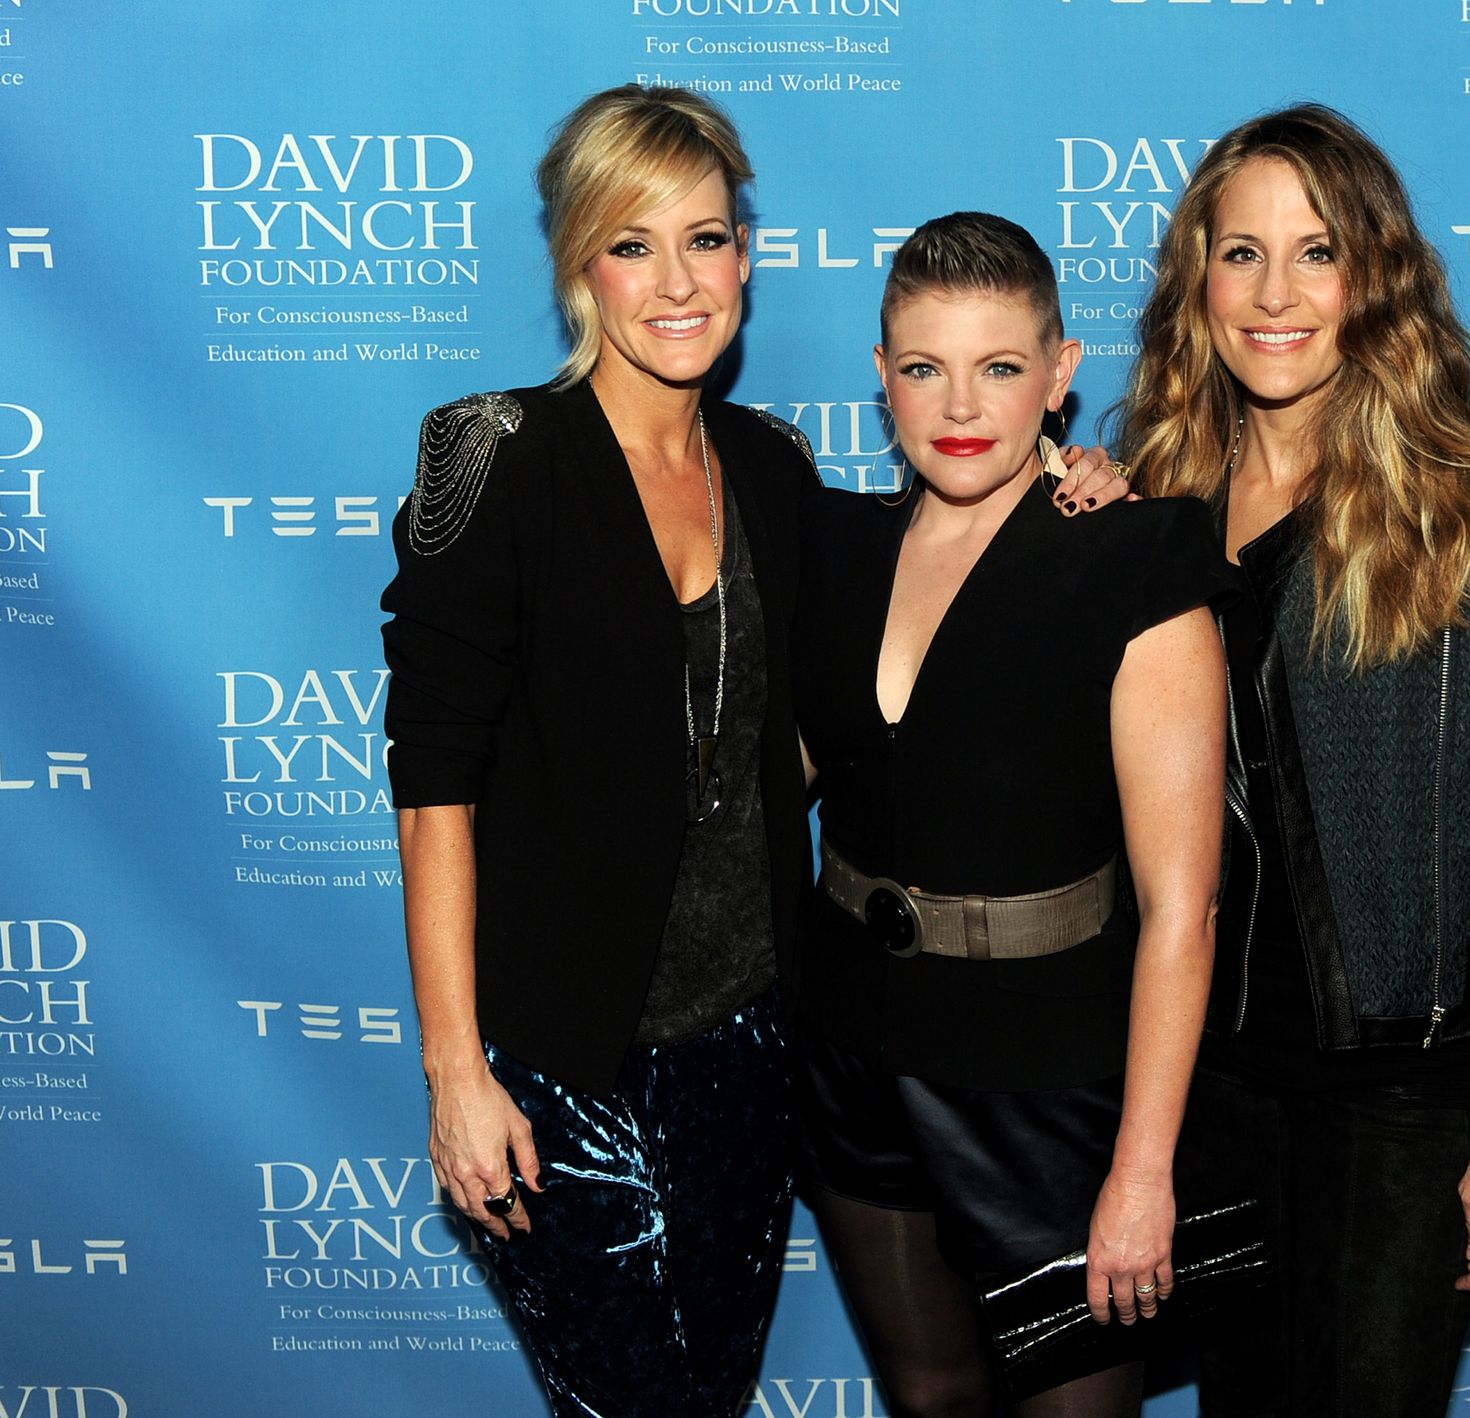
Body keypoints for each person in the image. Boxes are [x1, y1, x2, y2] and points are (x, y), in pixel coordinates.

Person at [379, 88, 1126, 1417]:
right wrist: (458, 1072)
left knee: (714, 1391)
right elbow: (435, 786)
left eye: (707, 239)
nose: (677, 281)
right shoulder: (496, 456)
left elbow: (930, 565)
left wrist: (1071, 481)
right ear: (579, 266)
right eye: (633, 242)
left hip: (754, 1044)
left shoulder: (770, 468)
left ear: (747, 257)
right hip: (557, 1059)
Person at [1112, 105, 1470, 1416]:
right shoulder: (1150, 505)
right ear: (1195, 278)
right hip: (1213, 1082)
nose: (1276, 295)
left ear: (1372, 275)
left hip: (1407, 1092)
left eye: (1315, 253)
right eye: (1242, 253)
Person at [790, 212, 1234, 1418]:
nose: (960, 404)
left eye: (999, 366)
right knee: (931, 1399)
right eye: (925, 367)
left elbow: (1182, 909)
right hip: (858, 1046)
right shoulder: (834, 548)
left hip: (1055, 1080)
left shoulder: (1132, 555)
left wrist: (1145, 1169)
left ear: (1061, 371)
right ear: (881, 377)